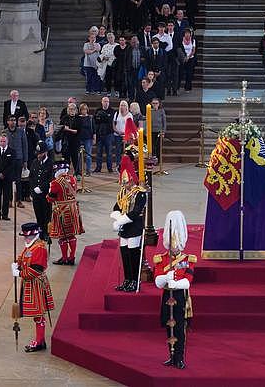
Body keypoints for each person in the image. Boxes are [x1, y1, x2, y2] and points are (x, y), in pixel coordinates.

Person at [152, 210, 195, 369]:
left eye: (177, 246)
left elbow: (188, 280)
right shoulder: (161, 259)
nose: (175, 249)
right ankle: (171, 356)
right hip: (167, 297)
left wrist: (175, 283)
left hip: (180, 297)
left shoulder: (188, 259)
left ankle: (180, 357)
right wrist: (165, 278)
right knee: (169, 328)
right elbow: (157, 280)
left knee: (179, 328)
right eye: (172, 245)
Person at [11, 223, 55, 352]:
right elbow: (24, 258)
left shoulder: (39, 248)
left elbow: (36, 269)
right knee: (37, 315)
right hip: (30, 284)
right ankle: (40, 341)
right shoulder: (31, 246)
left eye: (28, 237)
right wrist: (17, 264)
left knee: (38, 314)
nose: (26, 239)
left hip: (36, 284)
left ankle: (39, 342)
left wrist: (19, 273)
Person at [111, 155, 147, 292]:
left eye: (126, 183)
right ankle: (127, 279)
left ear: (131, 180)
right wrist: (117, 218)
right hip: (124, 229)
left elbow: (136, 212)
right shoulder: (122, 193)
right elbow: (116, 208)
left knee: (133, 255)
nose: (124, 186)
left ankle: (134, 280)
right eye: (123, 183)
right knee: (125, 255)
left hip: (135, 227)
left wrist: (121, 220)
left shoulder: (140, 193)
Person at [47, 160, 85, 265]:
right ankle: (72, 257)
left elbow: (50, 199)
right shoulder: (72, 179)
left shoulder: (55, 183)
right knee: (71, 235)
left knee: (63, 236)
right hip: (73, 209)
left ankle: (64, 258)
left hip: (62, 211)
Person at [29, 141, 53, 240]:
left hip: (46, 195)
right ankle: (40, 231)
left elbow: (51, 179)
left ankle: (46, 232)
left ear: (45, 152)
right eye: (38, 153)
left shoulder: (50, 164)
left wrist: (42, 188)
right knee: (38, 214)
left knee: (46, 215)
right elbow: (31, 177)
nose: (39, 155)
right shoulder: (35, 162)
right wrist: (32, 191)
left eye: (41, 153)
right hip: (36, 195)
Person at [4, 115, 28, 208]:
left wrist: (25, 160)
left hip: (19, 158)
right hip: (8, 159)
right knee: (9, 180)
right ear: (7, 122)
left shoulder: (21, 131)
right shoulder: (4, 132)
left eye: (14, 120)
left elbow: (25, 146)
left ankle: (19, 200)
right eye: (11, 120)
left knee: (18, 180)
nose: (13, 122)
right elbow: (2, 146)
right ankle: (9, 200)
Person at [0, 133, 16, 221]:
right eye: (1, 141)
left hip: (7, 177)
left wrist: (3, 173)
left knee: (6, 196)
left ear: (7, 141)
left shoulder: (12, 151)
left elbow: (12, 165)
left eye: (4, 141)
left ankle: (5, 215)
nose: (2, 143)